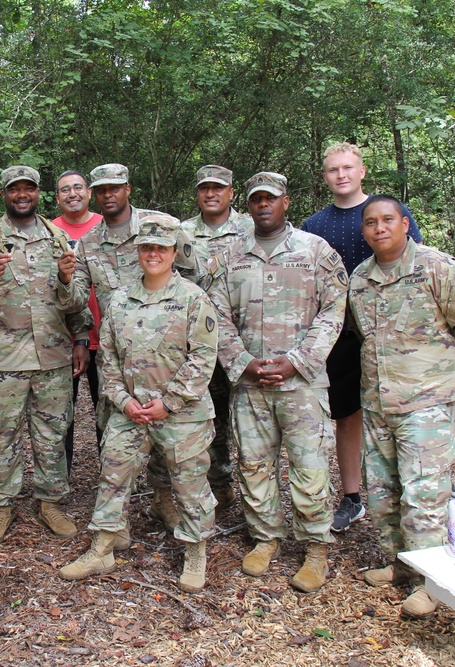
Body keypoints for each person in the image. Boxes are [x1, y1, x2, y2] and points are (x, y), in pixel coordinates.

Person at [349, 194, 455, 616]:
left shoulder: (437, 268)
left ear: (405, 223)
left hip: (426, 403)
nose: (380, 228)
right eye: (371, 222)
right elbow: (364, 335)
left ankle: (432, 581)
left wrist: (433, 371)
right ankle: (401, 563)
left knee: (424, 494)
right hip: (378, 403)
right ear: (364, 231)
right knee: (383, 493)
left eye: (388, 219)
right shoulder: (360, 278)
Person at [60, 215, 218, 593]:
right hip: (130, 411)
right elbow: (108, 359)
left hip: (181, 412)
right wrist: (123, 400)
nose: (153, 254)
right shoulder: (120, 300)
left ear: (174, 252)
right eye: (146, 247)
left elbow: (203, 359)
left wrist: (169, 402)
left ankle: (195, 551)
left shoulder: (193, 299)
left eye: (161, 248)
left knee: (189, 482)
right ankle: (102, 547)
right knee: (113, 475)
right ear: (137, 252)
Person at [206, 172, 347, 593]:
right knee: (254, 465)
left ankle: (315, 547)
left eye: (271, 198)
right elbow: (215, 314)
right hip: (250, 385)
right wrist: (243, 363)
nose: (263, 205)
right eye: (256, 200)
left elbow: (334, 308)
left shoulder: (315, 250)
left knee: (310, 467)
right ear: (247, 206)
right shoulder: (229, 255)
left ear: (286, 202)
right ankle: (266, 537)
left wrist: (298, 361)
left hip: (302, 385)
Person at [0, 166, 91, 545]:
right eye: (15, 189)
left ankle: (51, 503)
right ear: (5, 195)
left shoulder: (58, 239)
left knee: (52, 434)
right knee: (0, 436)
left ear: (38, 193)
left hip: (52, 358)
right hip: (0, 361)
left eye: (29, 188)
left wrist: (79, 334)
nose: (22, 195)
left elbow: (78, 299)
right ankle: (0, 505)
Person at [301, 142, 423, 533]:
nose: (342, 175)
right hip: (336, 336)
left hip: (389, 333)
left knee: (395, 416)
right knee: (347, 416)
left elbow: (416, 268)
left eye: (348, 168)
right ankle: (352, 497)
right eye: (334, 169)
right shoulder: (314, 226)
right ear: (325, 177)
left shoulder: (387, 214)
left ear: (362, 171)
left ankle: (410, 497)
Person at [76, 163, 198, 543]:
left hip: (169, 357)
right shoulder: (88, 242)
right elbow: (78, 298)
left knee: (170, 443)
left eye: (115, 187)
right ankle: (115, 526)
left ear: (128, 189)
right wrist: (65, 282)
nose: (108, 194)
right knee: (115, 436)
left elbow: (195, 275)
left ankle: (164, 500)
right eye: (102, 189)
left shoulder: (159, 226)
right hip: (119, 357)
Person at [181, 164, 254, 511]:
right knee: (205, 413)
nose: (210, 194)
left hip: (243, 340)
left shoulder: (253, 229)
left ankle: (255, 492)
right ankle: (216, 483)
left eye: (218, 188)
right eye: (204, 188)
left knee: (247, 416)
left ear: (231, 192)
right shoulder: (181, 233)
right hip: (195, 342)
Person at [50, 170, 104, 475]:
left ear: (89, 193)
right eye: (65, 190)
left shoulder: (105, 225)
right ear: (57, 198)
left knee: (107, 412)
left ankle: (113, 480)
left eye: (78, 188)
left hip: (107, 336)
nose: (72, 193)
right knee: (60, 415)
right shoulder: (48, 231)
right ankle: (59, 481)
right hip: (61, 338)